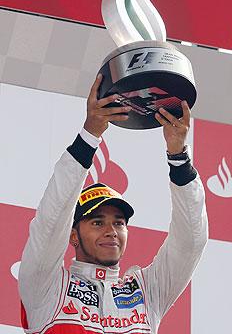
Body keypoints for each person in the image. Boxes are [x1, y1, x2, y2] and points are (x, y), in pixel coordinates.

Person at [18, 74, 208, 334]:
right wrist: (90, 135)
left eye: (118, 222)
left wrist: (178, 158)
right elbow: (51, 219)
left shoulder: (147, 292)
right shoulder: (47, 287)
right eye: (97, 222)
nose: (111, 231)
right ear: (73, 235)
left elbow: (190, 242)